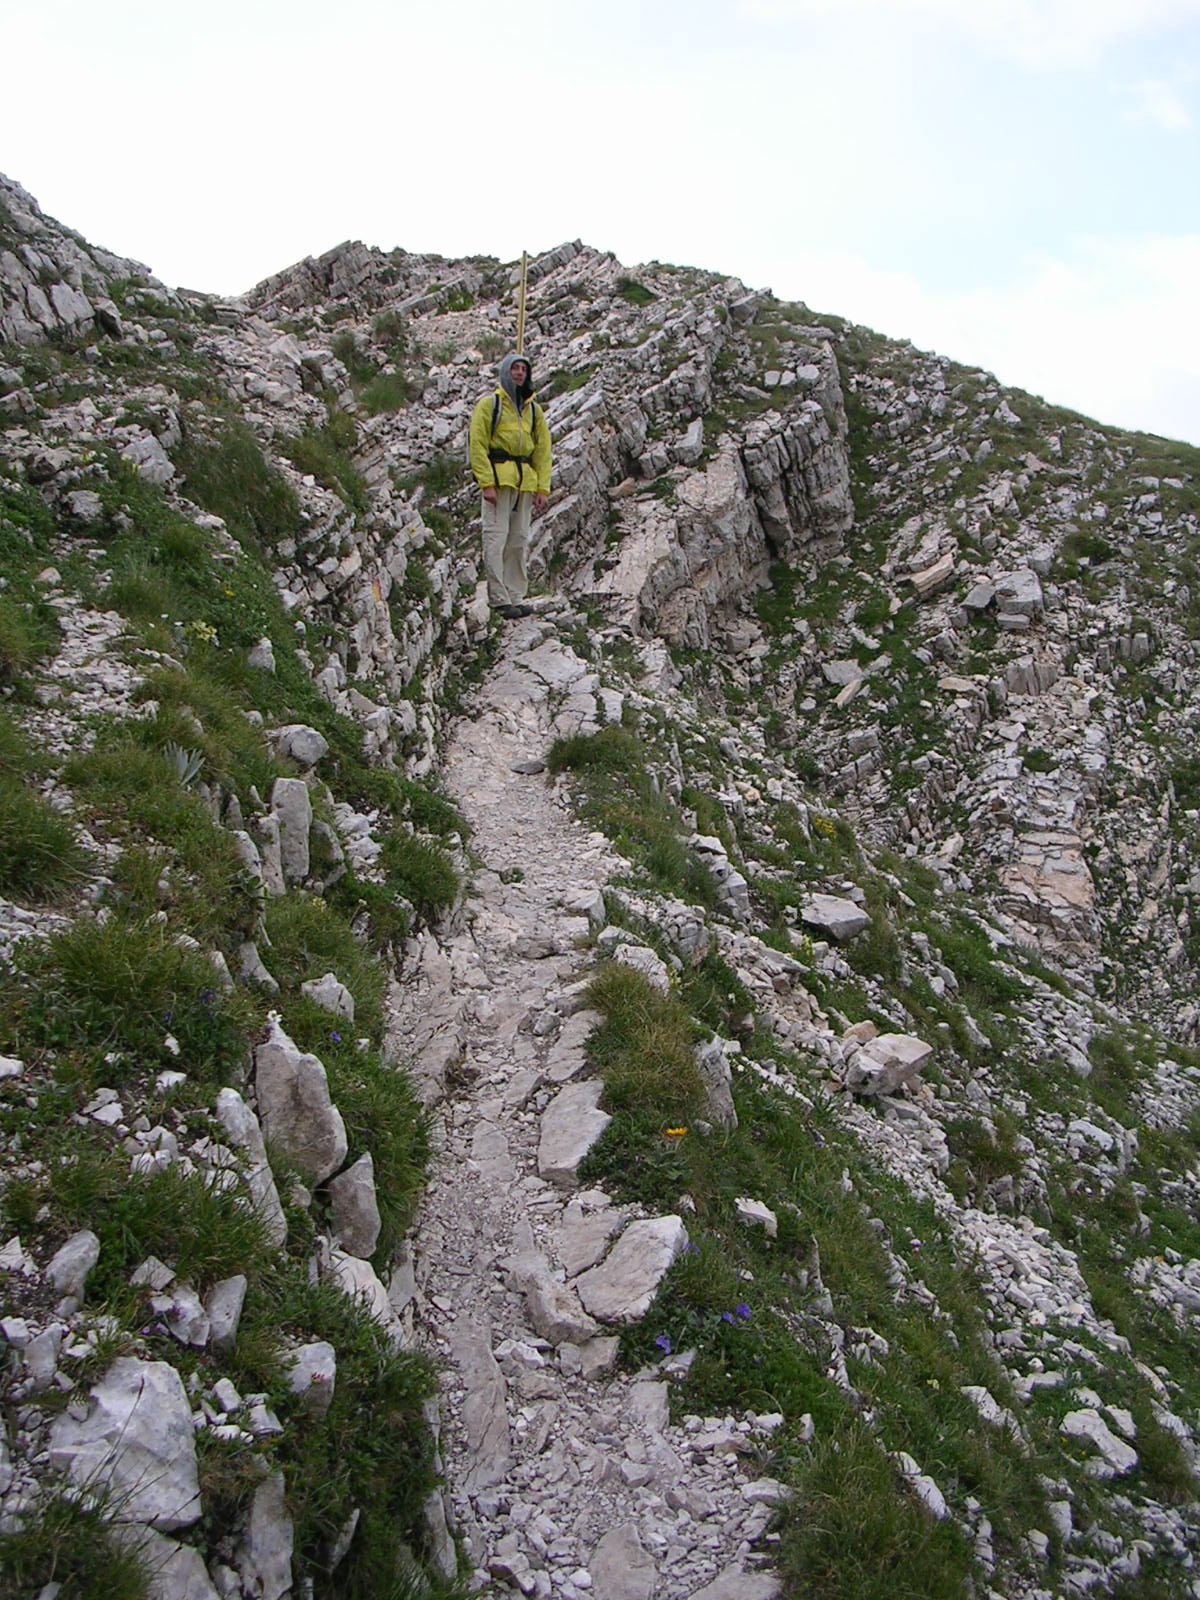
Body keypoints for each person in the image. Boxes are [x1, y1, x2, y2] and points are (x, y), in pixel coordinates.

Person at [468, 352, 551, 619]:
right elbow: (477, 444)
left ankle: (515, 595)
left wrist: (542, 487)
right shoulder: (489, 405)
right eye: (514, 368)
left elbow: (542, 450)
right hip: (499, 480)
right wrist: (486, 482)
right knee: (496, 537)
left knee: (518, 540)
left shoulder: (533, 411)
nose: (518, 373)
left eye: (523, 369)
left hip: (524, 482)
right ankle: (499, 598)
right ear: (505, 372)